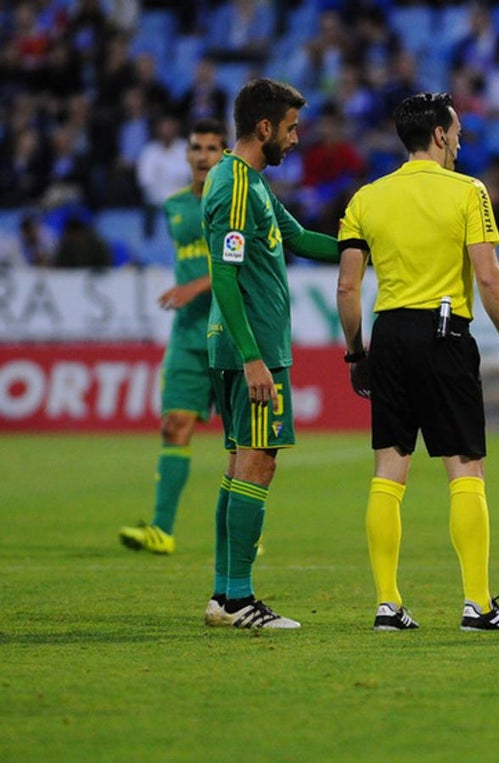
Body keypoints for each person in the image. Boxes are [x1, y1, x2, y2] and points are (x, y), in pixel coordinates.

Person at [335, 92, 499, 632]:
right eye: (458, 130)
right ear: (440, 135)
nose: (461, 139)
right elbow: (487, 276)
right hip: (445, 333)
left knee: (388, 471)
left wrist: (356, 353)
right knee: (465, 467)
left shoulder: (367, 198)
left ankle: (388, 605)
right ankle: (478, 605)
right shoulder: (469, 191)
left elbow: (348, 286)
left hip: (389, 334)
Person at [200, 78, 342, 629]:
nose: (297, 139)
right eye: (290, 128)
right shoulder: (235, 187)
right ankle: (239, 599)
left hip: (242, 347)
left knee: (240, 467)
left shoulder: (251, 185)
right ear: (265, 128)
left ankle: (222, 595)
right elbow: (224, 276)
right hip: (249, 350)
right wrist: (254, 357)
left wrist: (373, 248)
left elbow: (303, 240)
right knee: (258, 466)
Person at [119, 119, 226, 556]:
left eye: (212, 149)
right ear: (186, 155)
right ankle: (161, 530)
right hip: (186, 335)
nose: (203, 156)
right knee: (173, 425)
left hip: (231, 333)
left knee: (245, 445)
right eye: (196, 147)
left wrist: (193, 288)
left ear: (225, 156)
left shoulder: (236, 205)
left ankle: (240, 537)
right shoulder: (174, 206)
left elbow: (237, 268)